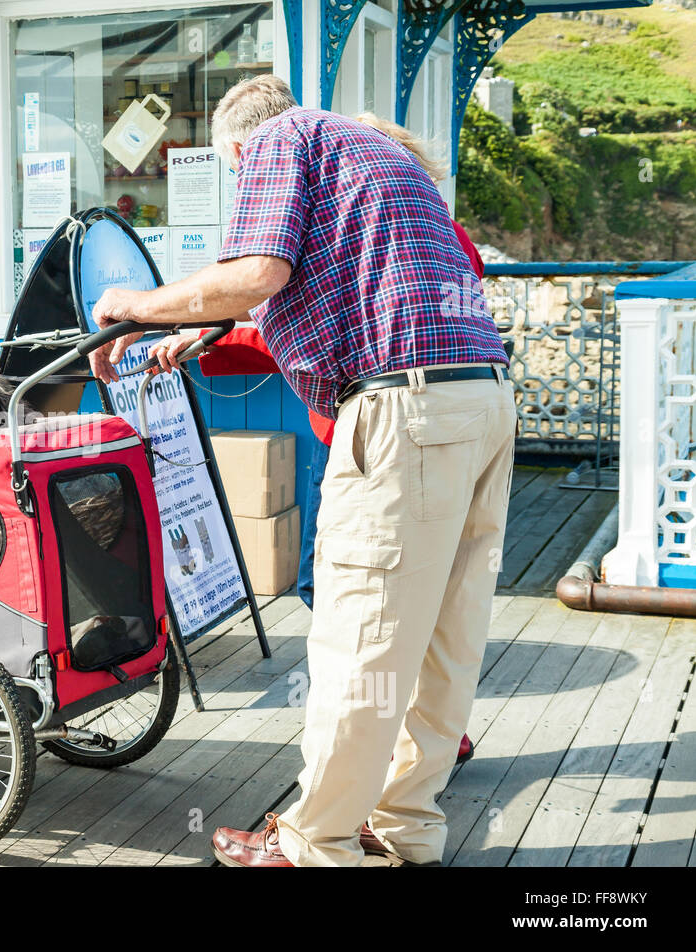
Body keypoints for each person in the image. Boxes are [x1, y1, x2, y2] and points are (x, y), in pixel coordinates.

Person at [88, 76, 515, 867]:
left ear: (241, 149)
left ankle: (312, 844)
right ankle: (408, 826)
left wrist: (139, 304)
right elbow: (336, 281)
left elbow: (259, 272)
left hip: (402, 414)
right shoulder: (383, 155)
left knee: (361, 639)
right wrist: (213, 326)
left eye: (234, 172)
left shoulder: (284, 141)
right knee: (445, 638)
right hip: (481, 400)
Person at [180, 113, 484, 766]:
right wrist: (209, 332)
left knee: (346, 597)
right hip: (460, 416)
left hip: (379, 430)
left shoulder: (360, 220)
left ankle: (344, 792)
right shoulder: (435, 229)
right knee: (433, 598)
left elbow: (282, 302)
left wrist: (191, 324)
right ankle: (427, 744)